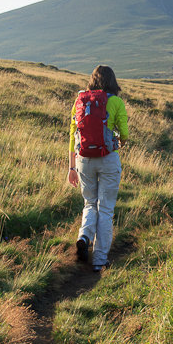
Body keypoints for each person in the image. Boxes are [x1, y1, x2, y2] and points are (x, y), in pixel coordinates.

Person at [68, 65, 128, 272]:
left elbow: (72, 136)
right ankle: (99, 260)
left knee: (89, 203)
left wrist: (71, 167)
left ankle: (84, 236)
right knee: (106, 209)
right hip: (108, 158)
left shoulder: (80, 100)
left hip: (83, 159)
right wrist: (116, 140)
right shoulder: (116, 102)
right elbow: (125, 133)